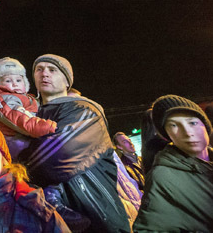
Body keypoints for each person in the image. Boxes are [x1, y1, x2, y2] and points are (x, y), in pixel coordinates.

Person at [20, 55, 131, 232]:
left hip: (98, 219)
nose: (44, 74)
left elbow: (56, 156)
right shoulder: (33, 117)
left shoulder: (85, 109)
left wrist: (16, 168)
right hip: (58, 224)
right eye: (39, 69)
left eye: (52, 69)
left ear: (67, 82)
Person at [133, 94, 213, 231]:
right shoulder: (162, 176)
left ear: (205, 126)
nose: (187, 132)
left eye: (192, 123)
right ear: (167, 135)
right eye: (174, 125)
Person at [0, 57, 57, 158]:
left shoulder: (28, 97)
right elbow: (15, 116)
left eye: (18, 80)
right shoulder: (3, 98)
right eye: (8, 81)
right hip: (12, 141)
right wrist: (42, 126)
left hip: (26, 136)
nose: (14, 83)